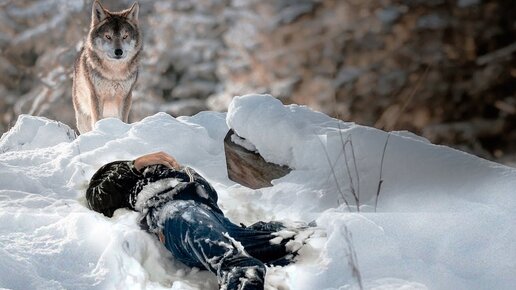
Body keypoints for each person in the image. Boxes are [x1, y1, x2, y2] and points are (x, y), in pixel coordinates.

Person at [86, 151, 305, 290]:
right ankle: (241, 275)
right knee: (235, 263)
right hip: (174, 211)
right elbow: (98, 198)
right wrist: (136, 165)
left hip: (212, 216)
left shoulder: (164, 171)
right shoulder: (130, 177)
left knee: (288, 239)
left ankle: (320, 238)